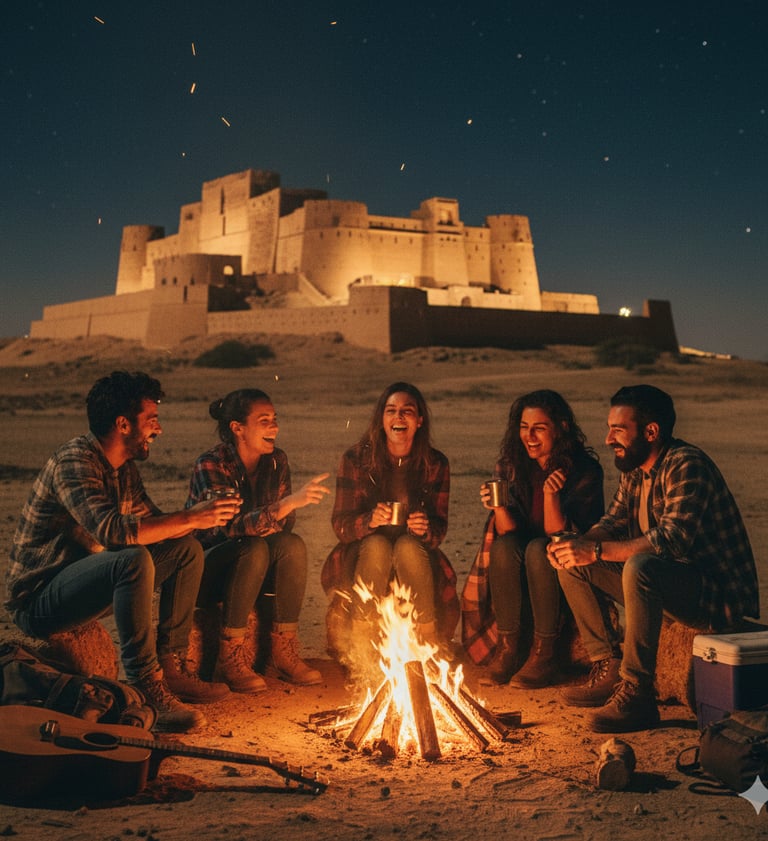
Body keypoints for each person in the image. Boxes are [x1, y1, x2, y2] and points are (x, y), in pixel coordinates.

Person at [6, 371, 237, 733]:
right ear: (123, 424)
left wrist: (202, 516)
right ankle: (146, 685)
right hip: (40, 601)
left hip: (89, 582)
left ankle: (170, 665)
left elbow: (156, 526)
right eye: (152, 420)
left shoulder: (124, 469)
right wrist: (191, 517)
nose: (158, 430)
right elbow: (114, 532)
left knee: (186, 549)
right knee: (132, 558)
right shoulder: (74, 462)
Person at [549, 384, 760, 733]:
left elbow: (671, 541)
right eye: (609, 428)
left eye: (618, 429)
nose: (607, 439)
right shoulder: (634, 470)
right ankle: (609, 664)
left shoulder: (686, 465)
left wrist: (595, 550)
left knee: (640, 565)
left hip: (712, 595)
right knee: (573, 560)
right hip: (665, 584)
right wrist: (577, 545)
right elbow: (613, 522)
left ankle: (638, 695)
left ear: (651, 431)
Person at [186, 388, 330, 692]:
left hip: (255, 565)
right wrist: (286, 505)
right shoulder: (211, 464)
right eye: (264, 420)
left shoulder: (276, 461)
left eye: (275, 419)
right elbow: (229, 529)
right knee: (250, 547)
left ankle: (283, 650)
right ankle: (230, 655)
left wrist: (282, 510)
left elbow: (285, 528)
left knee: (293, 546)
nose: (274, 427)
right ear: (238, 429)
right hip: (207, 573)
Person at [462, 389, 604, 687]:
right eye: (524, 428)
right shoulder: (512, 464)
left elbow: (561, 538)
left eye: (539, 428)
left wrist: (551, 496)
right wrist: (498, 507)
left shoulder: (583, 470)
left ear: (562, 427)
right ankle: (509, 649)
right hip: (521, 568)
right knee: (504, 547)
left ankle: (545, 655)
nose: (530, 437)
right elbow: (509, 533)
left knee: (539, 548)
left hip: (566, 572)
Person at [321, 382, 459, 674]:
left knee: (408, 546)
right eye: (391, 411)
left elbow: (439, 530)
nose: (399, 418)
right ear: (381, 419)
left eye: (407, 412)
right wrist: (369, 521)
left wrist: (425, 528)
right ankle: (362, 652)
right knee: (377, 545)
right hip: (364, 552)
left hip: (415, 554)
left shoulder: (435, 464)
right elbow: (340, 526)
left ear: (419, 421)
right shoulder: (356, 459)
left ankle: (427, 643)